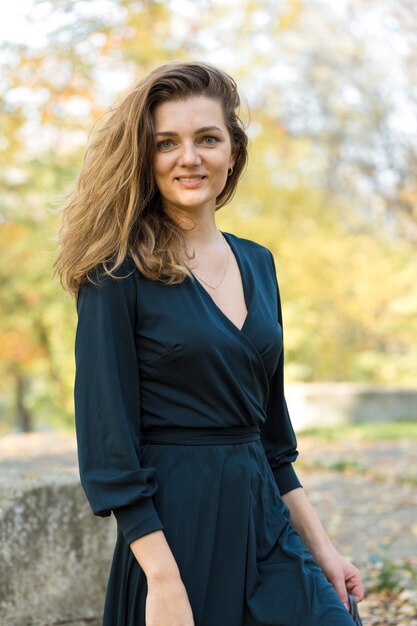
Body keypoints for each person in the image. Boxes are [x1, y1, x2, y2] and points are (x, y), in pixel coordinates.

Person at [54, 61, 364, 626]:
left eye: (207, 139)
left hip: (264, 521)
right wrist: (164, 581)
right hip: (176, 535)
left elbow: (273, 439)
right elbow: (107, 451)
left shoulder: (259, 264)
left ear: (233, 152)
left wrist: (323, 549)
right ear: (144, 159)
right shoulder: (114, 276)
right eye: (166, 142)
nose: (188, 157)